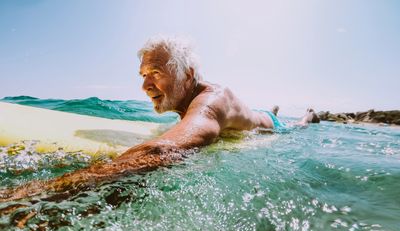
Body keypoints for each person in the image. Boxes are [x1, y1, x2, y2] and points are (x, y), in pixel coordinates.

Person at [0, 36, 318, 203]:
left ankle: (304, 116)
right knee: (262, 112)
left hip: (271, 129)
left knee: (290, 126)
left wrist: (44, 191)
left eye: (155, 73)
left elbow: (163, 151)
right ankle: (273, 110)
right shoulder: (189, 98)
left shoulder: (211, 103)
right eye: (142, 75)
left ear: (188, 75)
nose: (144, 85)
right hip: (242, 115)